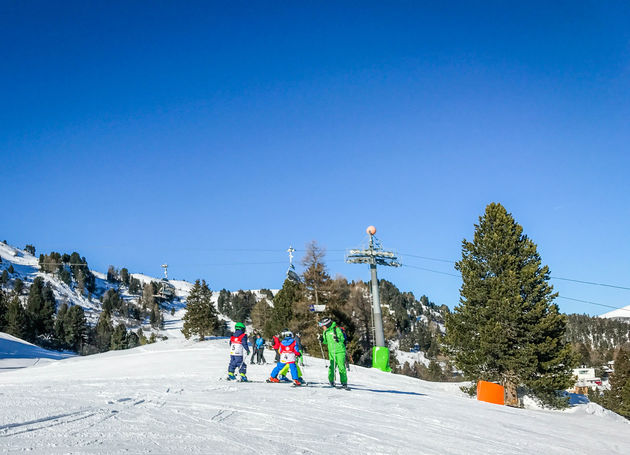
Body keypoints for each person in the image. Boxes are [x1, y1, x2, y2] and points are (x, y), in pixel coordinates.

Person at [319, 317, 348, 389]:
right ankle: (331, 380)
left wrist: (337, 338)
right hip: (331, 352)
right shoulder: (325, 332)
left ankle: (344, 382)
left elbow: (342, 339)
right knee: (332, 367)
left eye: (323, 326)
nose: (323, 328)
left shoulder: (336, 329)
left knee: (341, 367)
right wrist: (322, 340)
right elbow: (326, 342)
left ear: (327, 324)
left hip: (340, 351)